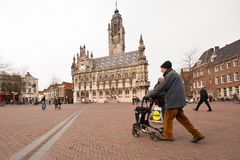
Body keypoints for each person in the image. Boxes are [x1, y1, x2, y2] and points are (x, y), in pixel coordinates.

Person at [144, 60, 204, 143]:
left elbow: (161, 87)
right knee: (184, 120)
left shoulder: (170, 75)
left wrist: (149, 95)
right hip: (178, 101)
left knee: (167, 118)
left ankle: (168, 136)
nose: (161, 71)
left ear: (165, 68)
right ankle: (197, 134)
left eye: (161, 69)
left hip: (173, 101)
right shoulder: (174, 75)